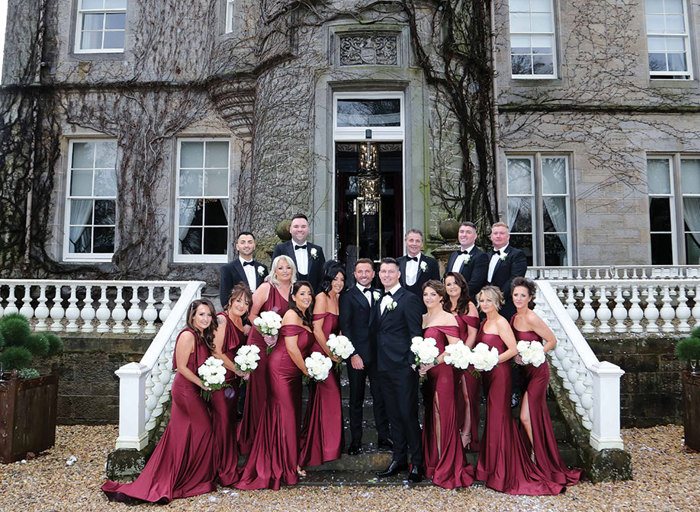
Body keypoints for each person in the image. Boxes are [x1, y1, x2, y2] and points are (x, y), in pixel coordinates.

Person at [102, 300, 217, 503]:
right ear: (192, 316)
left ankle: (189, 477)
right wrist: (202, 383)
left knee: (182, 435)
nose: (206, 318)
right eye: (201, 314)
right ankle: (186, 478)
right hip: (185, 390)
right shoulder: (188, 335)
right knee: (204, 429)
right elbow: (181, 367)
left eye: (208, 315)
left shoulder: (202, 335)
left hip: (195, 389)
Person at [474, 286, 564, 495]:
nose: (485, 304)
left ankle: (535, 462)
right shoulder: (505, 319)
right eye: (482, 300)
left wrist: (493, 360)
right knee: (503, 417)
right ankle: (495, 466)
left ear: (497, 302)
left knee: (518, 417)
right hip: (514, 373)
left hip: (519, 373)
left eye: (489, 300)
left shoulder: (508, 321)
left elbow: (516, 347)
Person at [234, 281, 317, 490]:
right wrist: (309, 371)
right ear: (294, 296)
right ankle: (287, 466)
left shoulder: (305, 315)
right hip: (281, 370)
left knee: (290, 417)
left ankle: (287, 460)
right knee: (286, 416)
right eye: (302, 293)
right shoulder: (291, 314)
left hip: (294, 372)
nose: (307, 297)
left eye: (309, 294)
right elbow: (291, 348)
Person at [511, 277, 582, 486]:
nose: (519, 298)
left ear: (530, 297)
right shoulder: (514, 317)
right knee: (534, 417)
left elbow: (551, 340)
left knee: (526, 417)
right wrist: (518, 356)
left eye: (523, 295)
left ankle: (542, 460)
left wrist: (534, 354)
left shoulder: (532, 318)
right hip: (525, 372)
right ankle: (536, 455)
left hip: (538, 372)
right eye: (516, 295)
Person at [237, 255, 295, 455]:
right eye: (281, 267)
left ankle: (275, 434)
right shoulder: (266, 287)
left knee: (277, 389)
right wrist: (266, 330)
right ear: (275, 270)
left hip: (282, 345)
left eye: (288, 267)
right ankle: (255, 436)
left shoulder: (296, 289)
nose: (285, 271)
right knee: (261, 388)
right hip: (261, 341)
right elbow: (251, 315)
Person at [373, 258, 424, 482]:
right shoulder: (378, 298)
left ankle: (418, 464)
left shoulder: (409, 299)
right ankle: (399, 459)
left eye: (390, 272)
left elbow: (415, 333)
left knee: (407, 414)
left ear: (398, 274)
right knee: (393, 415)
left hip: (403, 367)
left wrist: (413, 361)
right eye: (383, 271)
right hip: (383, 366)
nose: (386, 275)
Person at [420, 280, 475, 489]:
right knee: (433, 416)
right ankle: (436, 461)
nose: (429, 298)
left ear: (441, 297)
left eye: (433, 294)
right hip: (429, 374)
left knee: (443, 415)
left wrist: (433, 362)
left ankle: (447, 464)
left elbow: (453, 348)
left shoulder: (448, 318)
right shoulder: (424, 318)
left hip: (443, 372)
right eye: (426, 294)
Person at [339, 258, 391, 455]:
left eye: (367, 271)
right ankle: (355, 442)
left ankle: (384, 438)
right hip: (357, 356)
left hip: (378, 357)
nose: (363, 275)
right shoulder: (347, 296)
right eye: (360, 271)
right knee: (356, 399)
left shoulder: (381, 294)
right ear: (354, 274)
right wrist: (353, 354)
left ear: (373, 274)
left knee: (381, 398)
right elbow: (346, 327)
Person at [299, 262, 345, 467]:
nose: (339, 283)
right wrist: (329, 353)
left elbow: (337, 328)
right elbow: (317, 330)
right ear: (328, 279)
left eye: (342, 279)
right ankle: (324, 448)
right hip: (320, 354)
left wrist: (341, 346)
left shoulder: (338, 298)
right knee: (331, 397)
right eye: (335, 279)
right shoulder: (321, 298)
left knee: (325, 401)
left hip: (332, 355)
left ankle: (325, 447)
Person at [210, 284, 252, 486]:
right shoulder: (222, 319)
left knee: (228, 424)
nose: (242, 305)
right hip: (222, 380)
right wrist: (236, 369)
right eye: (238, 301)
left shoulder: (241, 323)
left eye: (245, 303)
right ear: (230, 301)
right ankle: (220, 469)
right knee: (222, 424)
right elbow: (216, 351)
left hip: (234, 382)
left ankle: (228, 466)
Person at [444, 271, 481, 451]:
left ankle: (467, 432)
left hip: (467, 357)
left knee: (467, 395)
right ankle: (454, 429)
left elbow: (473, 333)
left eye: (454, 283)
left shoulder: (468, 305)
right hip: (448, 358)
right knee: (453, 395)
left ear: (461, 286)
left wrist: (463, 354)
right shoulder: (442, 306)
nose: (451, 287)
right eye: (448, 284)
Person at [272, 214, 326, 293]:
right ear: (290, 229)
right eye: (296, 226)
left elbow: (322, 277)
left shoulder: (318, 250)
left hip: (313, 298)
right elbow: (274, 274)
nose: (300, 229)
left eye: (303, 226)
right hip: (288, 297)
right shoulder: (280, 249)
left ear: (308, 229)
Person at [485, 221, 527, 321]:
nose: (498, 236)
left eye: (502, 233)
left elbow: (514, 280)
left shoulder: (517, 255)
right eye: (495, 233)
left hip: (506, 305)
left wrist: (497, 297)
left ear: (508, 236)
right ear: (491, 236)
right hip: (487, 305)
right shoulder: (487, 256)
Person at [219, 231, 268, 308]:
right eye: (243, 242)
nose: (246, 245)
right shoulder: (227, 269)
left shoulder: (263, 268)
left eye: (250, 242)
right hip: (238, 314)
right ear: (237, 246)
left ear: (254, 246)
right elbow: (224, 297)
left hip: (259, 314)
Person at [444, 221, 488, 299]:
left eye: (468, 232)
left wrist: (458, 295)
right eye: (461, 232)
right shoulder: (453, 255)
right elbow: (446, 277)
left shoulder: (480, 256)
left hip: (468, 300)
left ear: (475, 236)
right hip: (450, 300)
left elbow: (476, 283)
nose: (464, 235)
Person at [397, 229, 440, 299]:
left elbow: (436, 287)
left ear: (422, 244)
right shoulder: (398, 262)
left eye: (417, 241)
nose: (414, 244)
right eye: (411, 240)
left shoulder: (432, 262)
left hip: (423, 305)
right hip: (401, 304)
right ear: (405, 242)